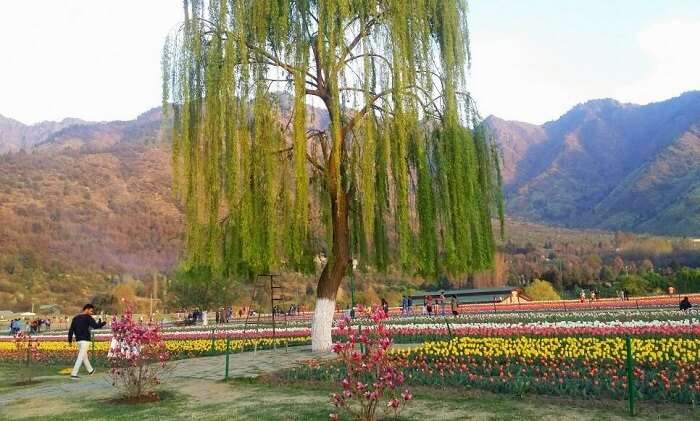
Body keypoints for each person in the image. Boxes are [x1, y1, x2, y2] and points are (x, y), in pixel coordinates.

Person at [68, 304, 106, 379]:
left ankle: (90, 370)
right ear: (86, 309)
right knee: (81, 357)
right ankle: (74, 374)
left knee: (84, 356)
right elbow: (95, 326)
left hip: (78, 340)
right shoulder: (88, 317)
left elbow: (71, 330)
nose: (92, 312)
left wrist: (69, 340)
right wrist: (103, 323)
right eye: (91, 311)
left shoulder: (75, 318)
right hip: (85, 340)